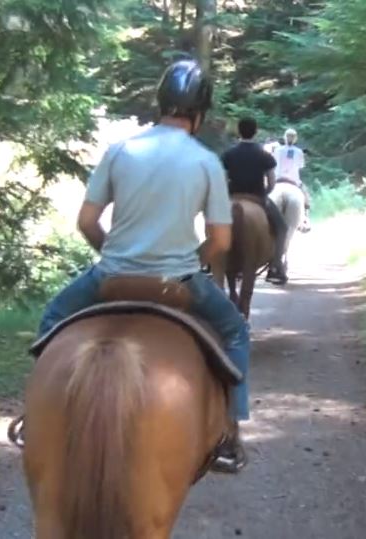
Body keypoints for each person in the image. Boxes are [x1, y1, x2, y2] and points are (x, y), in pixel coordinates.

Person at [36, 59, 251, 473]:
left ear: (161, 103)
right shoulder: (207, 161)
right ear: (200, 111)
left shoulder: (120, 150)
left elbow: (86, 222)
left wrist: (113, 256)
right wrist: (194, 263)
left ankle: (38, 418)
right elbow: (221, 240)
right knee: (235, 331)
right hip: (178, 280)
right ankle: (229, 434)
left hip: (111, 277)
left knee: (52, 318)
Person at [220, 117, 289, 284]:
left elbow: (222, 181)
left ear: (238, 131)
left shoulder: (228, 154)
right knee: (282, 228)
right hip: (257, 198)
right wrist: (264, 193)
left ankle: (209, 263)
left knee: (209, 222)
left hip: (232, 198)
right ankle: (275, 266)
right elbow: (272, 183)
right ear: (255, 132)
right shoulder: (265, 156)